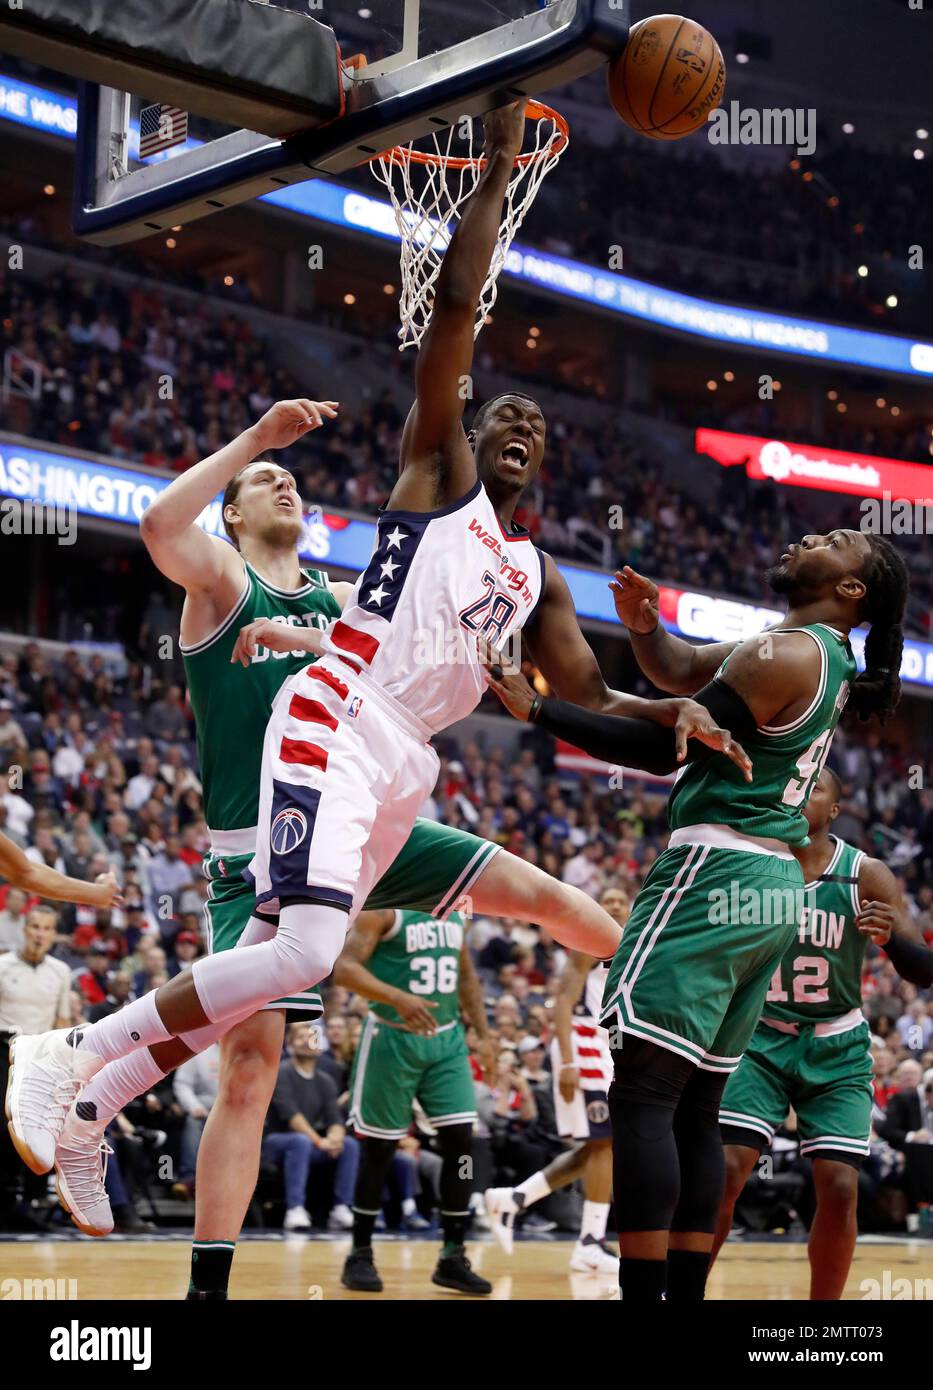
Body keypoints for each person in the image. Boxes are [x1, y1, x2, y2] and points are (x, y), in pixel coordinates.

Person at [9, 105, 742, 1295]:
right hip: (338, 721)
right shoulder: (436, 475)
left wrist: (686, 702)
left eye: (536, 425)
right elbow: (452, 319)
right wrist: (495, 182)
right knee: (297, 951)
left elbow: (590, 692)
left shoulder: (541, 574)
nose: (516, 424)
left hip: (408, 766)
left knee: (489, 927)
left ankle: (92, 1098)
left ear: (548, 467)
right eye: (503, 412)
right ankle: (82, 1058)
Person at [486, 530, 909, 1300]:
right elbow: (678, 674)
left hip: (716, 868)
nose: (810, 535)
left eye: (835, 541)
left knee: (645, 1094)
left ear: (851, 590)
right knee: (696, 1104)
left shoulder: (781, 656)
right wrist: (645, 630)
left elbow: (662, 751)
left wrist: (537, 709)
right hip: (773, 888)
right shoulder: (809, 652)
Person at [710, 768, 933, 1299]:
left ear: (835, 811)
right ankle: (681, 1288)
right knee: (725, 1170)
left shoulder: (865, 874)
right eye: (794, 784)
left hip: (836, 1044)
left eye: (817, 789)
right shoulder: (754, 863)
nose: (802, 792)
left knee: (837, 1185)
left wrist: (892, 942)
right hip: (758, 1039)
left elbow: (923, 970)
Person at [338, 908, 493, 1295]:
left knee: (461, 1143)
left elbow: (467, 978)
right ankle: (359, 1252)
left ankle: (452, 1256)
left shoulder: (456, 913)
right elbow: (343, 968)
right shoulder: (384, 910)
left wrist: (485, 1035)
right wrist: (396, 997)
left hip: (447, 1040)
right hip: (392, 1037)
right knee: (380, 1148)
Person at [485, 885, 631, 1275]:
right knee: (605, 1144)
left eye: (621, 900)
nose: (615, 905)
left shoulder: (633, 945)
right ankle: (589, 1244)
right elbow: (564, 1000)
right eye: (608, 900)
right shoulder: (591, 939)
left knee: (596, 1147)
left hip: (606, 1047)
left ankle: (513, 1198)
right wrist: (566, 1063)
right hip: (580, 1044)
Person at [262, 1023, 358, 1232]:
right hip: (274, 1142)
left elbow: (334, 1117)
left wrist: (335, 1138)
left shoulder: (326, 1080)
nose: (307, 1041)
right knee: (301, 1141)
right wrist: (319, 1140)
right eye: (300, 1037)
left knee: (349, 1145)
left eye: (312, 1038)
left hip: (308, 1144)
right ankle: (295, 1209)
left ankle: (341, 1208)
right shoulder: (281, 1072)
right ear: (289, 1044)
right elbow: (292, 1117)